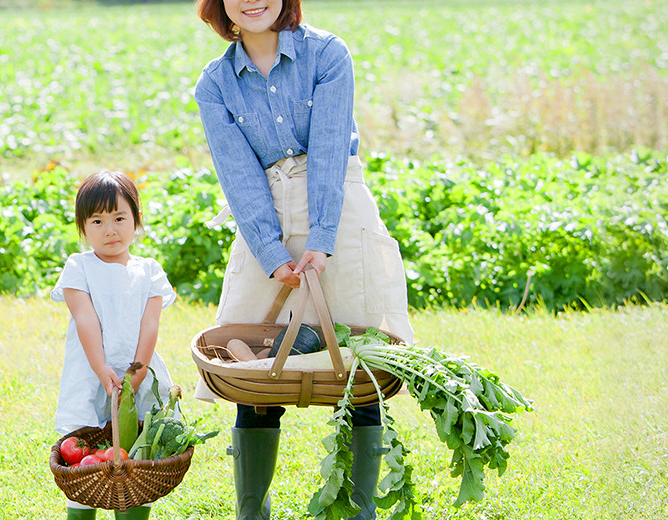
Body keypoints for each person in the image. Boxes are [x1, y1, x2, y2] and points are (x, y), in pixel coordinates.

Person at [189, 0, 418, 518]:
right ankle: (253, 512)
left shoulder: (328, 54)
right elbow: (239, 177)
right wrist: (272, 256)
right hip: (263, 214)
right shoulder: (215, 84)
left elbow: (333, 149)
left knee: (360, 366)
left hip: (340, 207)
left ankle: (361, 510)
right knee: (254, 364)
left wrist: (321, 239)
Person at [50, 170, 180, 520]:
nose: (110, 230)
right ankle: (81, 511)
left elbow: (150, 325)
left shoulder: (149, 270)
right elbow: (85, 320)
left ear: (136, 220)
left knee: (136, 455)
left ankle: (133, 512)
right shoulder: (79, 267)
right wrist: (101, 369)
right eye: (98, 221)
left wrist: (135, 376)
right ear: (83, 228)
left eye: (120, 218)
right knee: (83, 460)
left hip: (138, 370)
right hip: (92, 373)